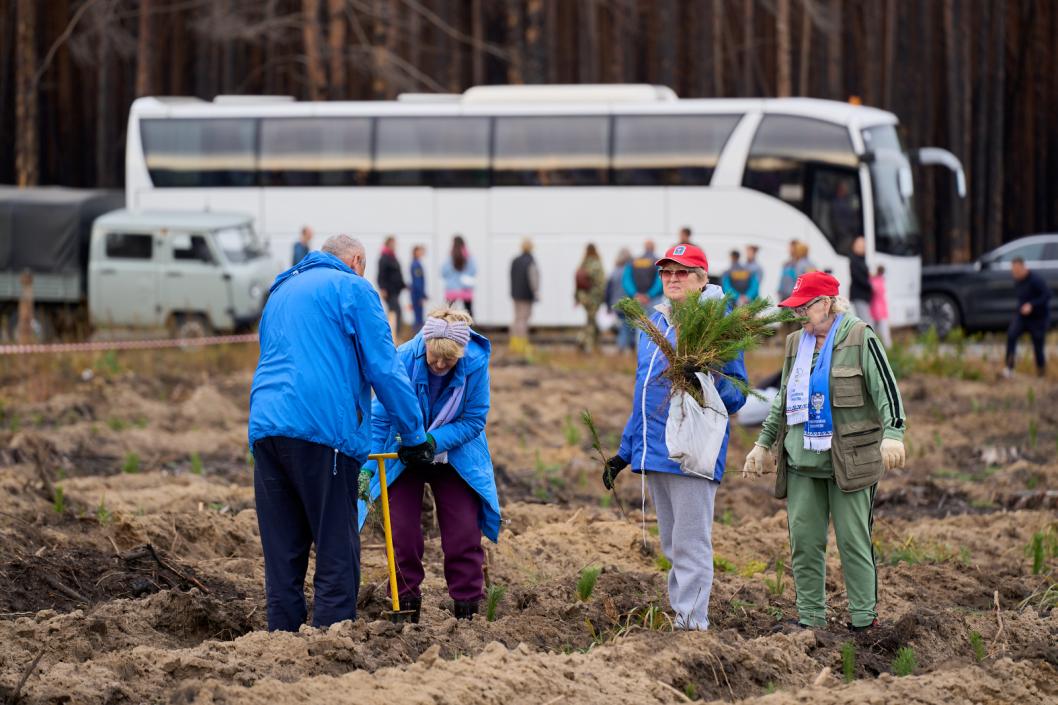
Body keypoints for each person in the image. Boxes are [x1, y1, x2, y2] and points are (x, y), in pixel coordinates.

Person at [248, 234, 434, 632]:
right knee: (336, 547)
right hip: (323, 430)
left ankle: (279, 644)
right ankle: (331, 644)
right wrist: (414, 435)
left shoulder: (280, 290)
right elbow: (384, 367)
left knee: (282, 552)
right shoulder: (353, 288)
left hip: (266, 428)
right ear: (356, 261)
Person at [743, 271, 906, 632]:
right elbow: (782, 398)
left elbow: (887, 390)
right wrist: (762, 444)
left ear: (829, 303)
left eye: (806, 306)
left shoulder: (860, 337)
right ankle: (810, 619)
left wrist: (894, 433)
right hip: (802, 462)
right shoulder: (794, 344)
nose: (799, 314)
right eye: (795, 308)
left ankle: (864, 621)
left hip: (849, 462)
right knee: (804, 543)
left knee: (853, 542)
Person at [604, 244, 748, 630]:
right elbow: (644, 394)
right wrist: (624, 452)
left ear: (702, 280)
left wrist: (702, 381)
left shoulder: (717, 322)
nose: (672, 279)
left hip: (692, 449)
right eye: (666, 272)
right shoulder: (656, 322)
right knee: (672, 544)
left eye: (682, 272)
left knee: (690, 544)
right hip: (655, 450)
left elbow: (737, 392)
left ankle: (693, 627)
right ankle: (684, 618)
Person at [358, 308, 500, 622]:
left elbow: (474, 419)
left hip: (453, 452)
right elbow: (381, 418)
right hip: (404, 450)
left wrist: (432, 441)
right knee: (402, 533)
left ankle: (468, 611)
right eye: (434, 357)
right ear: (425, 345)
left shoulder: (475, 364)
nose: (439, 365)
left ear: (460, 354)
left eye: (448, 361)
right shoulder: (403, 358)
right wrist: (368, 465)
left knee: (463, 532)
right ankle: (405, 606)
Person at [1005, 257, 1051, 378]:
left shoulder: (1036, 280)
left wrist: (1032, 305)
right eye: (1013, 271)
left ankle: (1041, 373)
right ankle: (1009, 368)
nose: (1014, 273)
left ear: (1023, 267)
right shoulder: (1018, 281)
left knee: (1038, 346)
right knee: (1011, 335)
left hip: (1038, 318)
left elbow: (1047, 295)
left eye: (1016, 271)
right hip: (1023, 316)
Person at [509, 239, 539, 355]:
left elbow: (511, 276)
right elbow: (533, 278)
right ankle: (522, 343)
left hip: (516, 295)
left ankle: (514, 342)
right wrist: (535, 292)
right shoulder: (530, 261)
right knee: (523, 319)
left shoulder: (515, 260)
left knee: (517, 318)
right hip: (526, 295)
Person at [575, 244, 607, 352]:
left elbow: (578, 283)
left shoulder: (583, 263)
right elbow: (601, 283)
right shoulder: (596, 264)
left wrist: (577, 298)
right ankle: (585, 343)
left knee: (591, 320)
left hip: (583, 297)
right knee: (592, 322)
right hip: (594, 298)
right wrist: (603, 298)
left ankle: (593, 344)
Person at [606, 248, 635, 352]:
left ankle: (624, 346)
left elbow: (608, 290)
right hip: (628, 303)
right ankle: (624, 346)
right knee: (628, 325)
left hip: (616, 304)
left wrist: (608, 305)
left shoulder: (614, 272)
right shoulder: (631, 271)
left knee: (624, 324)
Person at [378, 235, 406, 339]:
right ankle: (393, 336)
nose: (395, 245)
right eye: (393, 243)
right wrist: (382, 288)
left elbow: (397, 273)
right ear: (388, 244)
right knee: (395, 312)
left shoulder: (393, 257)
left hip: (395, 291)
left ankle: (396, 335)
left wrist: (403, 285)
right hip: (389, 291)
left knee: (396, 312)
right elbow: (381, 275)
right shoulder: (384, 258)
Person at [442, 235, 477, 317]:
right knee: (468, 312)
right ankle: (469, 325)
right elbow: (473, 271)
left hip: (451, 288)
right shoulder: (469, 256)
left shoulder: (450, 256)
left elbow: (444, 272)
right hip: (465, 288)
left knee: (448, 313)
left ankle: (448, 325)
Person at [623, 240, 663, 310]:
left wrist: (635, 294)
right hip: (653, 300)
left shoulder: (633, 261)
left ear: (644, 247)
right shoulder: (658, 262)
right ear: (654, 248)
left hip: (636, 300)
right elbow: (660, 280)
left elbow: (626, 280)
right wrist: (649, 295)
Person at [849, 236, 874, 327]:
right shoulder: (854, 260)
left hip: (864, 295)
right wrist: (871, 286)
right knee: (865, 322)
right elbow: (858, 277)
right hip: (859, 295)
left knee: (864, 321)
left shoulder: (861, 259)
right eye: (861, 246)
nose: (863, 248)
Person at [870, 266, 892, 347]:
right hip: (881, 309)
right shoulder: (881, 281)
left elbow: (874, 290)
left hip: (875, 308)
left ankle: (874, 346)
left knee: (875, 331)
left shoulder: (874, 280)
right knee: (884, 331)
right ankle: (887, 347)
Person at [409, 245, 428, 333]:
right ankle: (417, 335)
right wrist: (421, 295)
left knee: (419, 317)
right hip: (417, 294)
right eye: (420, 251)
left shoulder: (416, 263)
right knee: (418, 318)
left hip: (417, 293)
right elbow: (418, 281)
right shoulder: (416, 265)